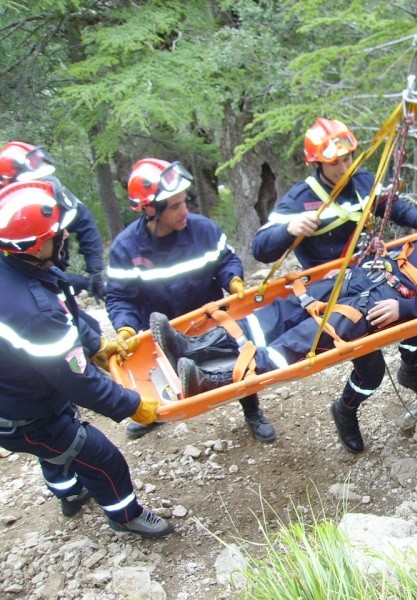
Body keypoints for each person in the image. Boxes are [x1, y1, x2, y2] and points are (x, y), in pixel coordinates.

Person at [152, 205, 417, 454]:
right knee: (283, 312)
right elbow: (400, 250)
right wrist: (365, 258)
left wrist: (405, 308)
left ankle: (211, 379)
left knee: (304, 342)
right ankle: (194, 345)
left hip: (384, 301)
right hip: (364, 276)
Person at [0, 179, 172, 538]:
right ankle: (125, 515)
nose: (65, 237)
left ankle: (70, 494)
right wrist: (131, 404)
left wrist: (95, 345)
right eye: (57, 234)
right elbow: (74, 379)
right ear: (32, 245)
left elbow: (66, 310)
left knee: (59, 452)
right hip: (21, 415)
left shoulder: (23, 270)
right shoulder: (33, 310)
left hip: (23, 390)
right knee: (98, 455)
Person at [252, 118, 417, 413]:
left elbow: (389, 204)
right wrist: (289, 229)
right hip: (336, 290)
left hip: (373, 273)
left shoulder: (363, 182)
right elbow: (261, 248)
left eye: (348, 159)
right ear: (317, 164)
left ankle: (410, 372)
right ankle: (345, 411)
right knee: (371, 370)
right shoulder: (300, 199)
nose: (345, 168)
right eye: (336, 164)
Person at [105, 157, 277, 443]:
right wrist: (126, 328)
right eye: (175, 206)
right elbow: (120, 296)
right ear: (150, 210)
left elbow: (226, 261)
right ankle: (158, 413)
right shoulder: (126, 248)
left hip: (207, 319)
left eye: (185, 202)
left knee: (236, 360)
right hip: (161, 331)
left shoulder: (203, 231)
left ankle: (252, 410)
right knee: (166, 372)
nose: (185, 211)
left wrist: (233, 279)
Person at [0, 141, 107, 302]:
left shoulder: (50, 197)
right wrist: (70, 280)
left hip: (51, 269)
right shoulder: (7, 225)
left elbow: (84, 220)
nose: (41, 187)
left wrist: (95, 270)